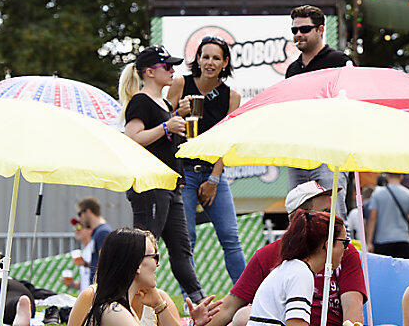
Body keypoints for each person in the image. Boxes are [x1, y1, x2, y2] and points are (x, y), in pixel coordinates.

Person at [206, 181, 366, 326]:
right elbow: (229, 307)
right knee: (241, 316)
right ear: (302, 219)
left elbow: (353, 311)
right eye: (325, 212)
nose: (333, 217)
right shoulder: (294, 268)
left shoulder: (342, 248)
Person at [119, 45, 206, 303]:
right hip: (150, 185)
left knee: (182, 249)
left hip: (170, 185)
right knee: (143, 250)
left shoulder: (164, 102)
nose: (172, 70)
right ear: (149, 72)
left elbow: (160, 136)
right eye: (167, 66)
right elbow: (132, 138)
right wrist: (167, 126)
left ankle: (201, 305)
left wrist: (176, 117)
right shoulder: (140, 101)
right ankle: (121, 301)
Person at [166, 36, 246, 284]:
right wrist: (177, 112)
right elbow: (163, 124)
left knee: (230, 237)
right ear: (197, 59)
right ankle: (193, 300)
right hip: (184, 171)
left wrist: (214, 178)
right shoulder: (180, 83)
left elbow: (227, 141)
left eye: (215, 58)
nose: (209, 62)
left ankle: (248, 298)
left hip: (214, 172)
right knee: (186, 238)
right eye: (205, 56)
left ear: (225, 62)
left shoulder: (232, 96)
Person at [68, 227, 220, 326]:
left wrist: (159, 305)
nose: (157, 264)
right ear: (137, 263)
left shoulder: (118, 308)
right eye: (154, 257)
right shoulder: (114, 312)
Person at [285, 4, 352, 200]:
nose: (298, 34)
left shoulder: (340, 61)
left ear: (320, 29)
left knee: (333, 218)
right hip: (298, 153)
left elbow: (351, 108)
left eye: (304, 29)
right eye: (294, 30)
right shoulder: (292, 69)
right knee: (300, 219)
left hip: (329, 152)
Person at [247, 210, 350, 326]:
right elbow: (296, 324)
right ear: (328, 245)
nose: (346, 249)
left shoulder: (292, 268)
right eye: (345, 243)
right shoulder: (301, 274)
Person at [366, 173, 409, 258]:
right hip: (403, 239)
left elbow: (372, 218)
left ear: (386, 176)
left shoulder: (377, 194)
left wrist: (369, 242)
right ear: (401, 176)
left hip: (382, 239)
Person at [77, 197, 112, 279]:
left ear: (88, 211)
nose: (79, 219)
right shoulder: (97, 231)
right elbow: (97, 262)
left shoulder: (103, 232)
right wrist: (86, 264)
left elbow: (105, 262)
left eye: (79, 214)